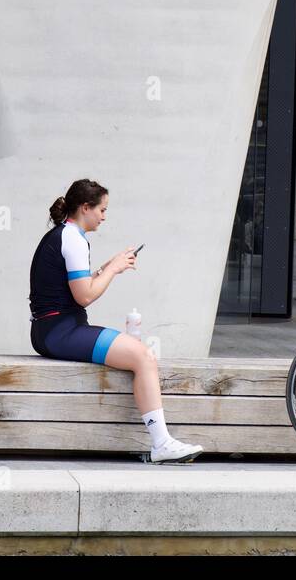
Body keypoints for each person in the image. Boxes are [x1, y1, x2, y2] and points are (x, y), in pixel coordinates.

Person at [28, 178, 203, 463]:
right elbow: (84, 296)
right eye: (102, 210)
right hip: (60, 331)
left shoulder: (64, 234)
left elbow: (73, 289)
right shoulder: (72, 238)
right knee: (143, 357)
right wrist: (114, 270)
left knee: (139, 355)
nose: (104, 217)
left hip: (52, 330)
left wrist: (107, 268)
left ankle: (162, 443)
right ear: (85, 207)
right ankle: (161, 444)